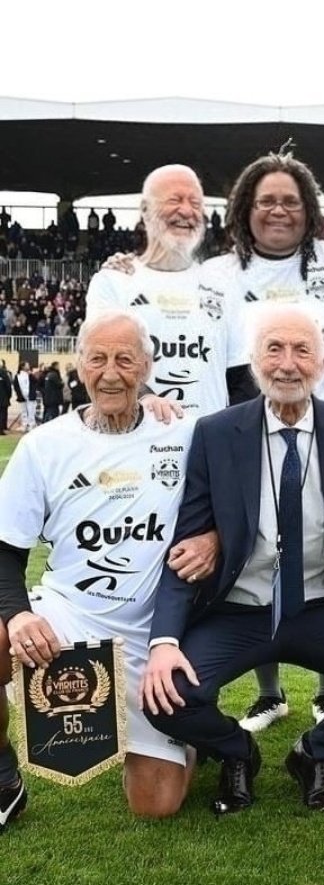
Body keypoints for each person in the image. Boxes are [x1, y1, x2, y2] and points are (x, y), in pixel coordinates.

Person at [140, 304, 324, 814]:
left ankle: (315, 752)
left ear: (323, 363)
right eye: (274, 349)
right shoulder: (216, 433)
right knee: (167, 695)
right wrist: (164, 641)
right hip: (239, 611)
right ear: (254, 362)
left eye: (302, 350)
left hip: (323, 609)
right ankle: (236, 751)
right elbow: (186, 546)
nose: (287, 363)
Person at [0, 310, 198, 826]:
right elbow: (4, 549)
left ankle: (192, 740)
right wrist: (19, 616)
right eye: (98, 359)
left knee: (155, 805)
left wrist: (214, 539)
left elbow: (238, 485)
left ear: (147, 367)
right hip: (70, 619)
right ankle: (3, 779)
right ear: (80, 366)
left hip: (155, 637)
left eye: (125, 360)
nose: (111, 373)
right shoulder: (43, 447)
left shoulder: (184, 431)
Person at [202, 149, 324, 733]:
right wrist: (124, 266)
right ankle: (269, 692)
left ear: (307, 209)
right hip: (247, 433)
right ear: (245, 208)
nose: (278, 211)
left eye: (290, 201)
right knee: (257, 553)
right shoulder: (217, 275)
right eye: (266, 200)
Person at [85, 164, 250, 417]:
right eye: (175, 200)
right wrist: (146, 399)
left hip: (206, 445)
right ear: (145, 210)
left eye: (195, 203)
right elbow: (102, 362)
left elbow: (241, 376)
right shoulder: (114, 282)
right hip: (136, 441)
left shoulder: (224, 286)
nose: (186, 211)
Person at [12, 361, 36, 432]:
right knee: (23, 411)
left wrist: (31, 375)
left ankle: (31, 424)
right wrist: (19, 394)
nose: (28, 366)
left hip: (30, 395)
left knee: (31, 410)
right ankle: (24, 424)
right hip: (22, 396)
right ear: (22, 367)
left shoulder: (30, 374)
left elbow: (35, 381)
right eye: (27, 365)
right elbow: (16, 385)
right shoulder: (18, 375)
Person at [0, 360, 11, 434]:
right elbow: (8, 386)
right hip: (3, 397)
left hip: (3, 396)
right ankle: (1, 428)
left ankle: (3, 427)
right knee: (3, 413)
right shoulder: (4, 373)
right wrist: (9, 396)